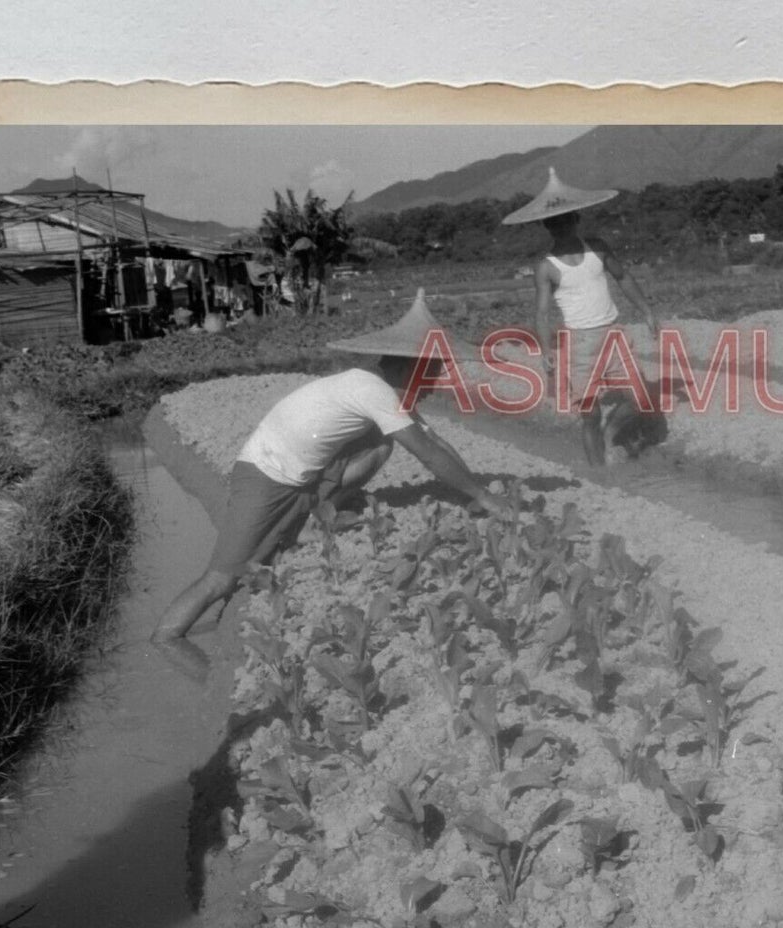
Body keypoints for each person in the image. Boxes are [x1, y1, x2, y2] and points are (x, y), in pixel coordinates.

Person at [152, 289, 509, 645]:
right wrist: (481, 495)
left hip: (300, 478)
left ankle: (316, 516)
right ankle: (165, 643)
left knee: (381, 441)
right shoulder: (373, 391)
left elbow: (435, 443)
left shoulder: (379, 390)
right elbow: (427, 454)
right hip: (264, 475)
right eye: (431, 373)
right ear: (407, 367)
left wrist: (478, 491)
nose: (434, 386)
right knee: (221, 579)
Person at [502, 168, 664, 467]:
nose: (562, 226)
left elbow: (624, 277)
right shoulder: (546, 267)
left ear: (576, 219)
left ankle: (611, 433)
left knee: (640, 400)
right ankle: (599, 477)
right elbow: (540, 311)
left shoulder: (598, 248)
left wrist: (647, 311)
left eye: (567, 220)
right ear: (547, 226)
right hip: (579, 343)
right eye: (555, 223)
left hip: (613, 335)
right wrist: (545, 350)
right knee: (589, 412)